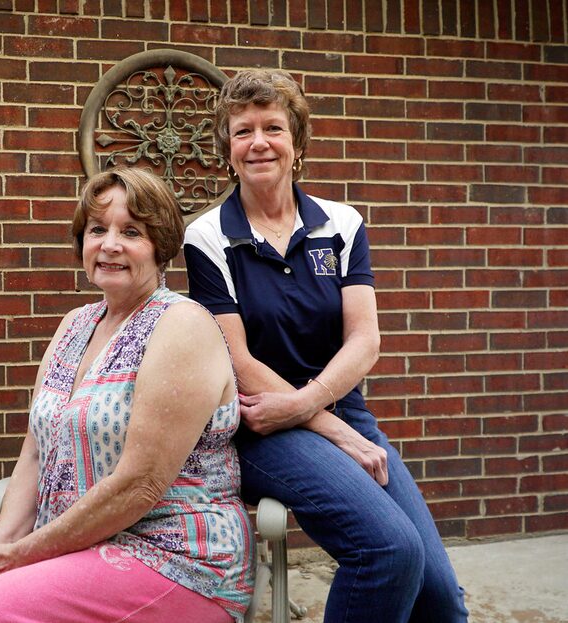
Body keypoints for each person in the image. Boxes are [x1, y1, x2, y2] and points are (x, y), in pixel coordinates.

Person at [0, 166, 254, 623]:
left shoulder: (181, 326)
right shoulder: (75, 325)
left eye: (131, 232)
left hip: (172, 555)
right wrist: (3, 545)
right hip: (65, 536)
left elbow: (139, 485)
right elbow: (34, 454)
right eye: (97, 230)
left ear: (160, 246)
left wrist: (18, 557)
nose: (109, 245)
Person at [184, 69, 469, 623]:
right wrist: (318, 420)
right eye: (243, 131)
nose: (259, 142)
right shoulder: (208, 236)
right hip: (263, 426)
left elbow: (365, 338)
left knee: (442, 602)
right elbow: (237, 361)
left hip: (338, 412)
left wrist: (313, 405)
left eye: (273, 127)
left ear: (297, 143)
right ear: (227, 149)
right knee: (388, 551)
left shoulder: (341, 224)